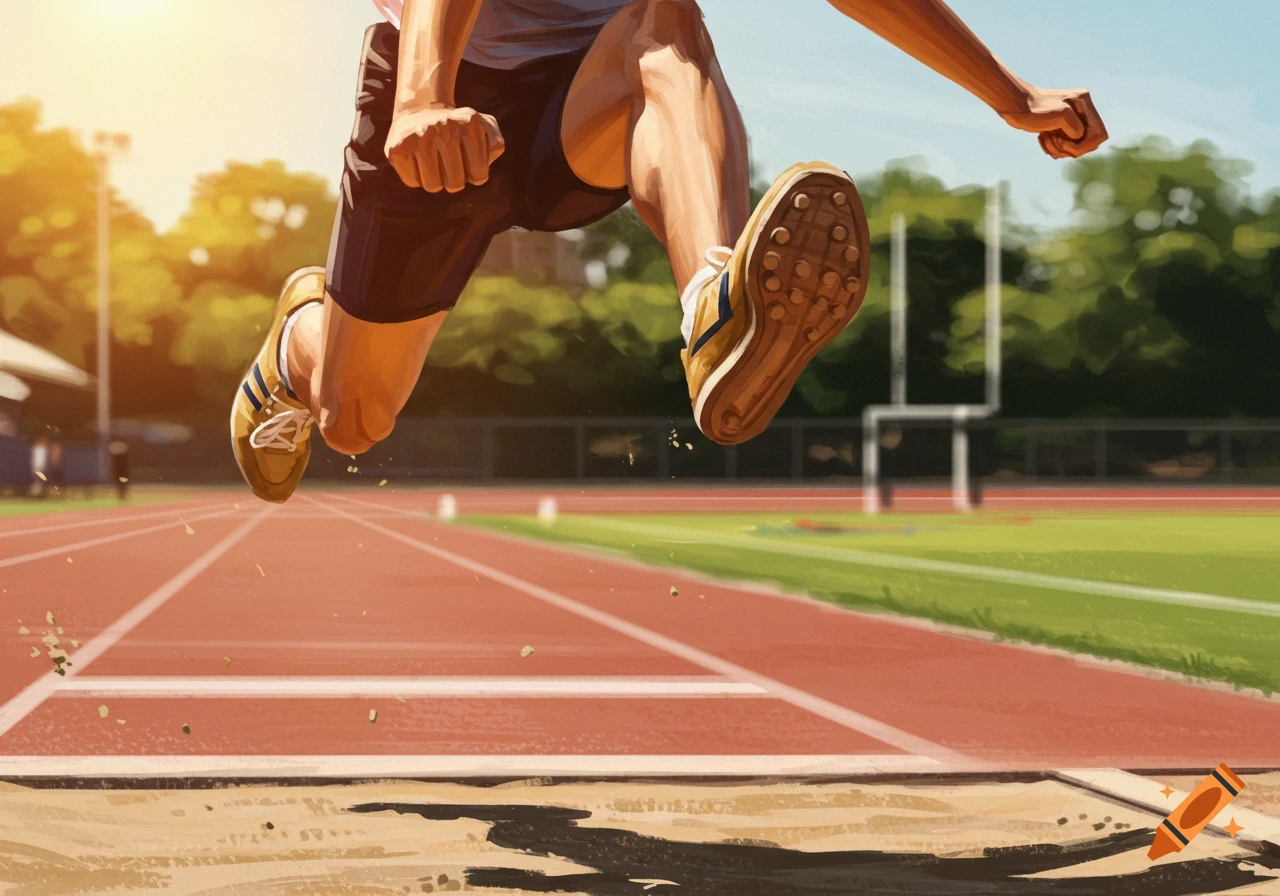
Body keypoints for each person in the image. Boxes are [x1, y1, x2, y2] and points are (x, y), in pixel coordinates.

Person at [231, 0, 1107, 503]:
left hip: (589, 92)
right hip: (444, 95)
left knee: (666, 16)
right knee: (354, 418)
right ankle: (299, 335)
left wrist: (1007, 92)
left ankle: (716, 306)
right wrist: (422, 99)